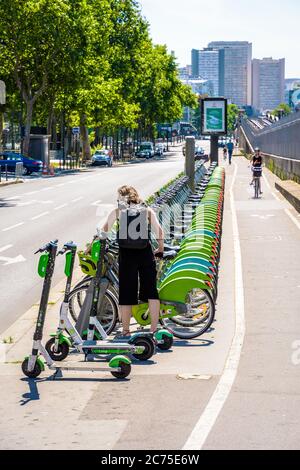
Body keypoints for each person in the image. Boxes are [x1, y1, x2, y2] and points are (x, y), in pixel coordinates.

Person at [99, 185, 164, 337]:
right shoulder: (147, 211)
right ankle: (154, 330)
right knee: (151, 292)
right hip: (145, 253)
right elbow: (159, 230)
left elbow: (103, 232)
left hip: (126, 255)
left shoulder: (118, 212)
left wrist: (93, 245)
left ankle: (126, 331)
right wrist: (160, 248)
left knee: (127, 293)